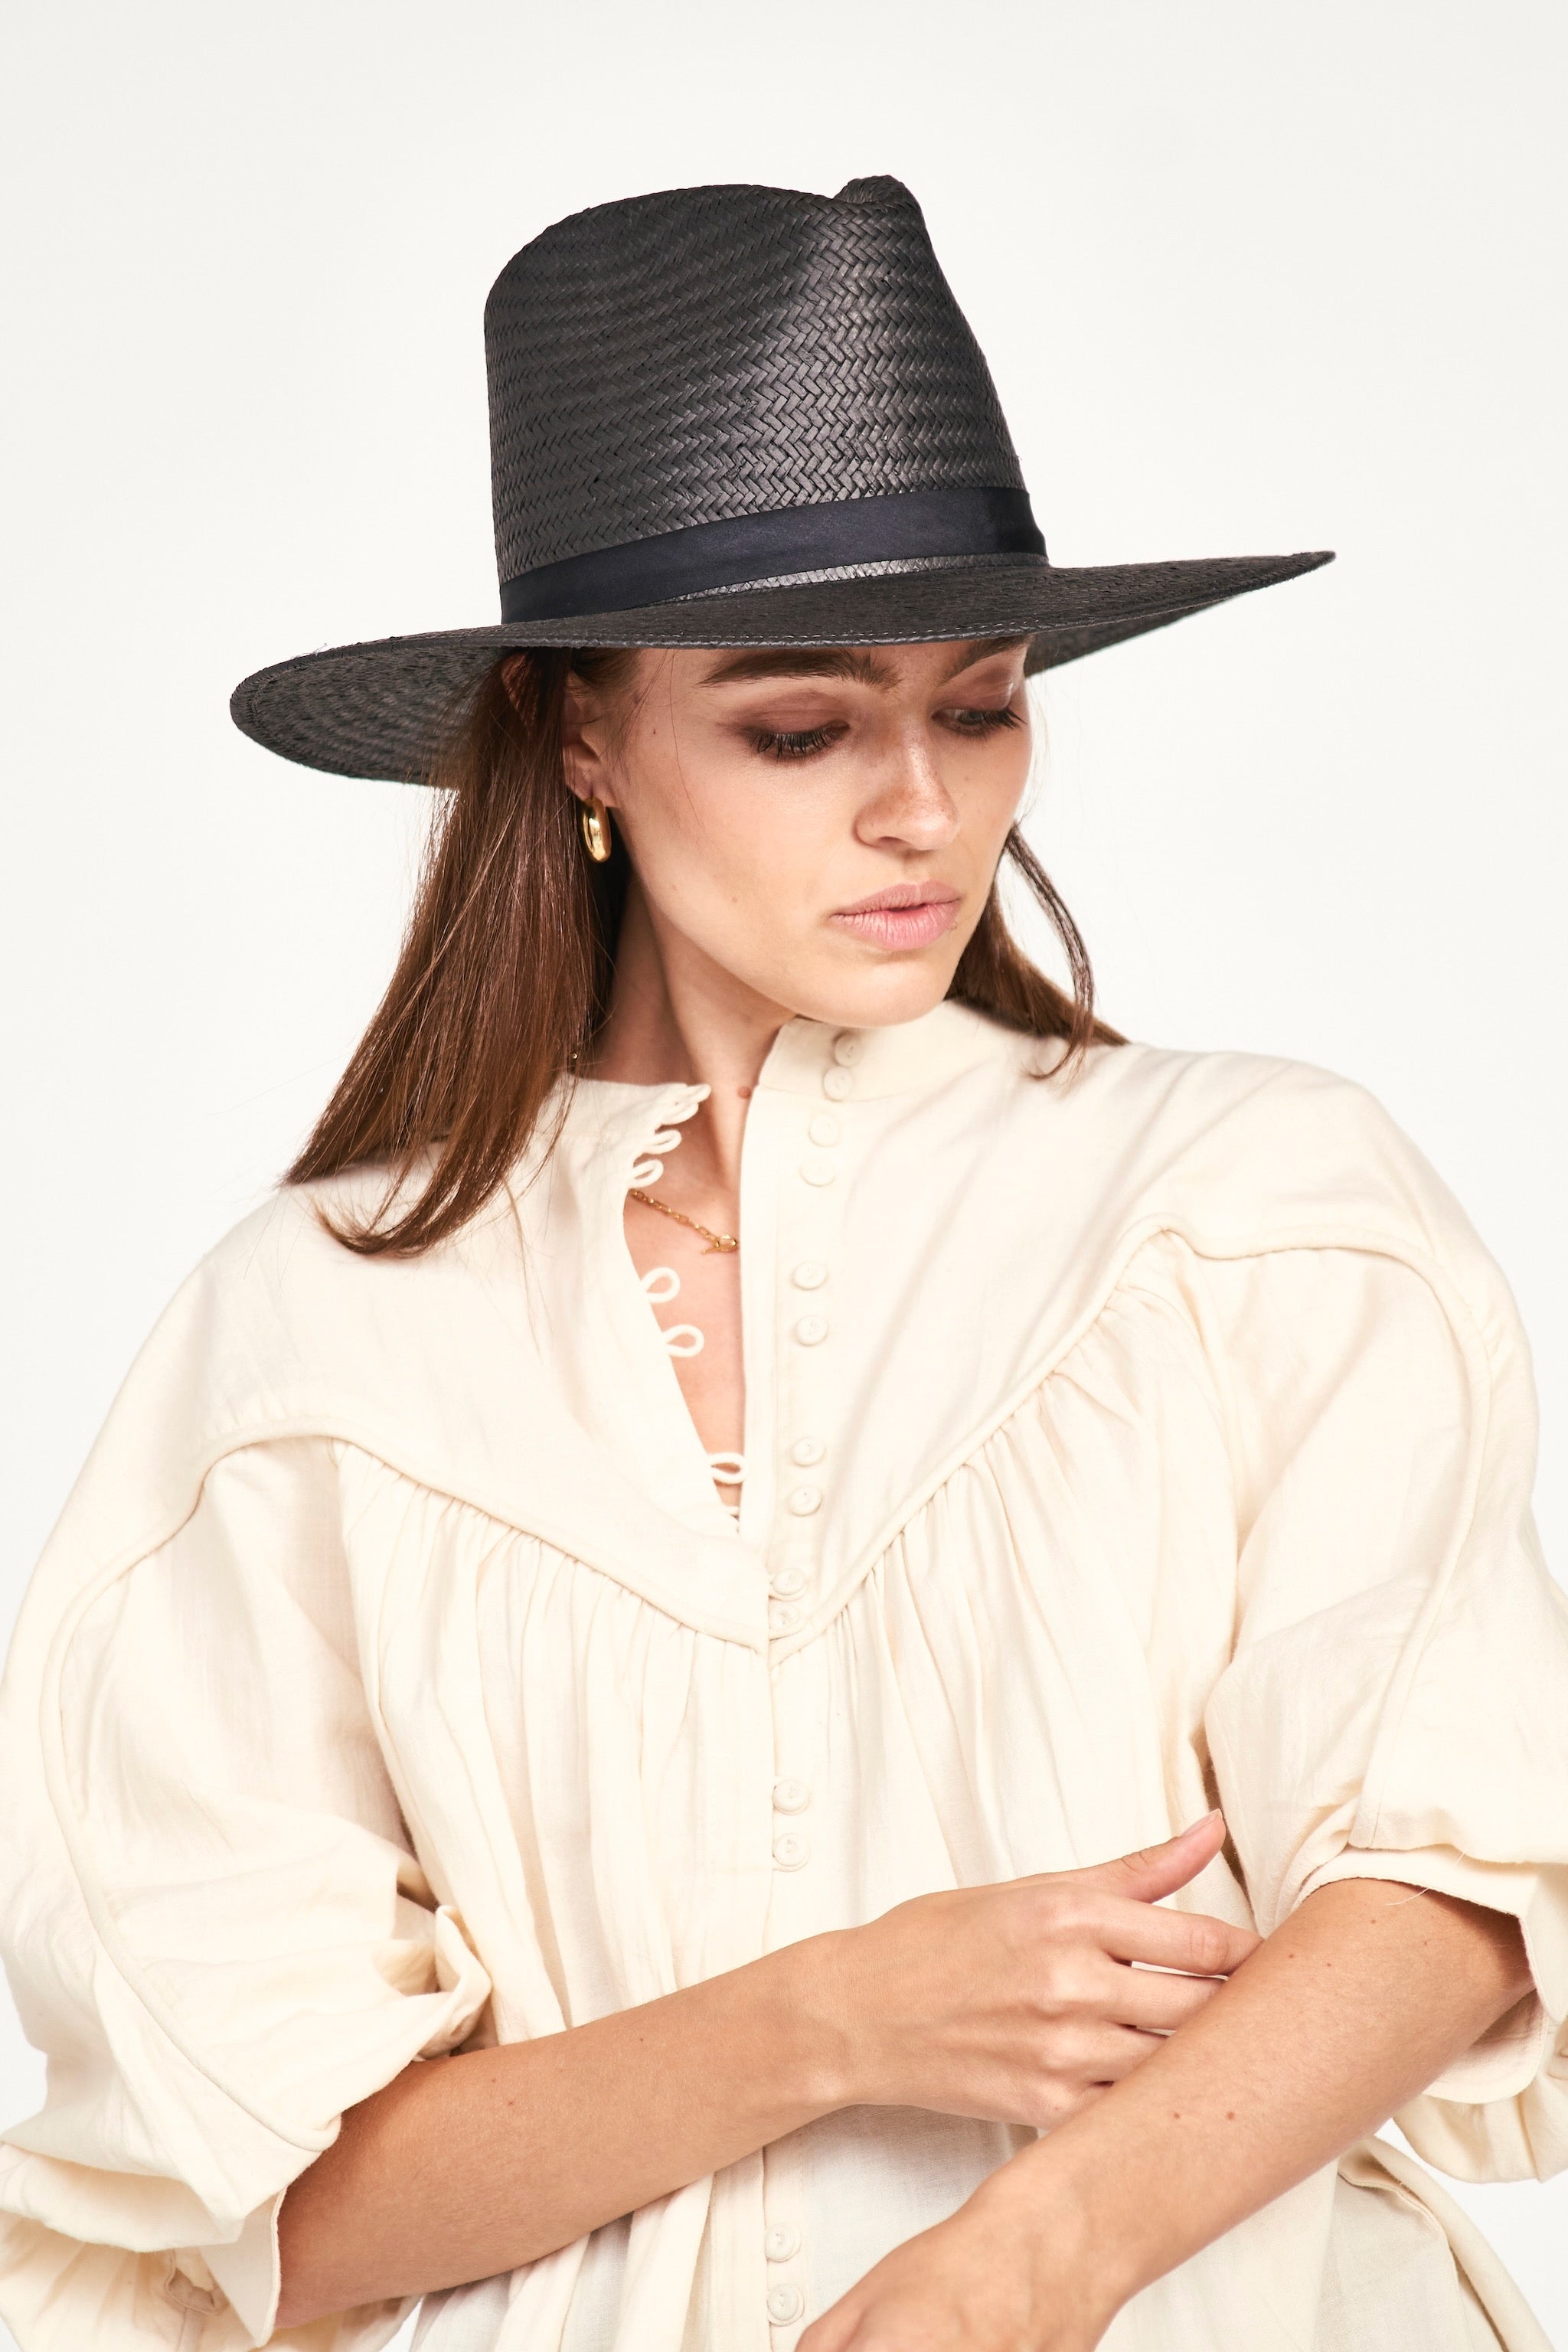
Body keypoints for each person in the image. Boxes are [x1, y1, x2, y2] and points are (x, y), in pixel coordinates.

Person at [0, 175, 1563, 2352]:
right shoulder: (309, 1336)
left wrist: (1025, 2265)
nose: (923, 807)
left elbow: (1460, 1889)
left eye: (982, 707)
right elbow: (279, 2216)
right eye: (803, 728)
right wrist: (838, 2018)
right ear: (581, 737)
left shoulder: (1248, 1206)